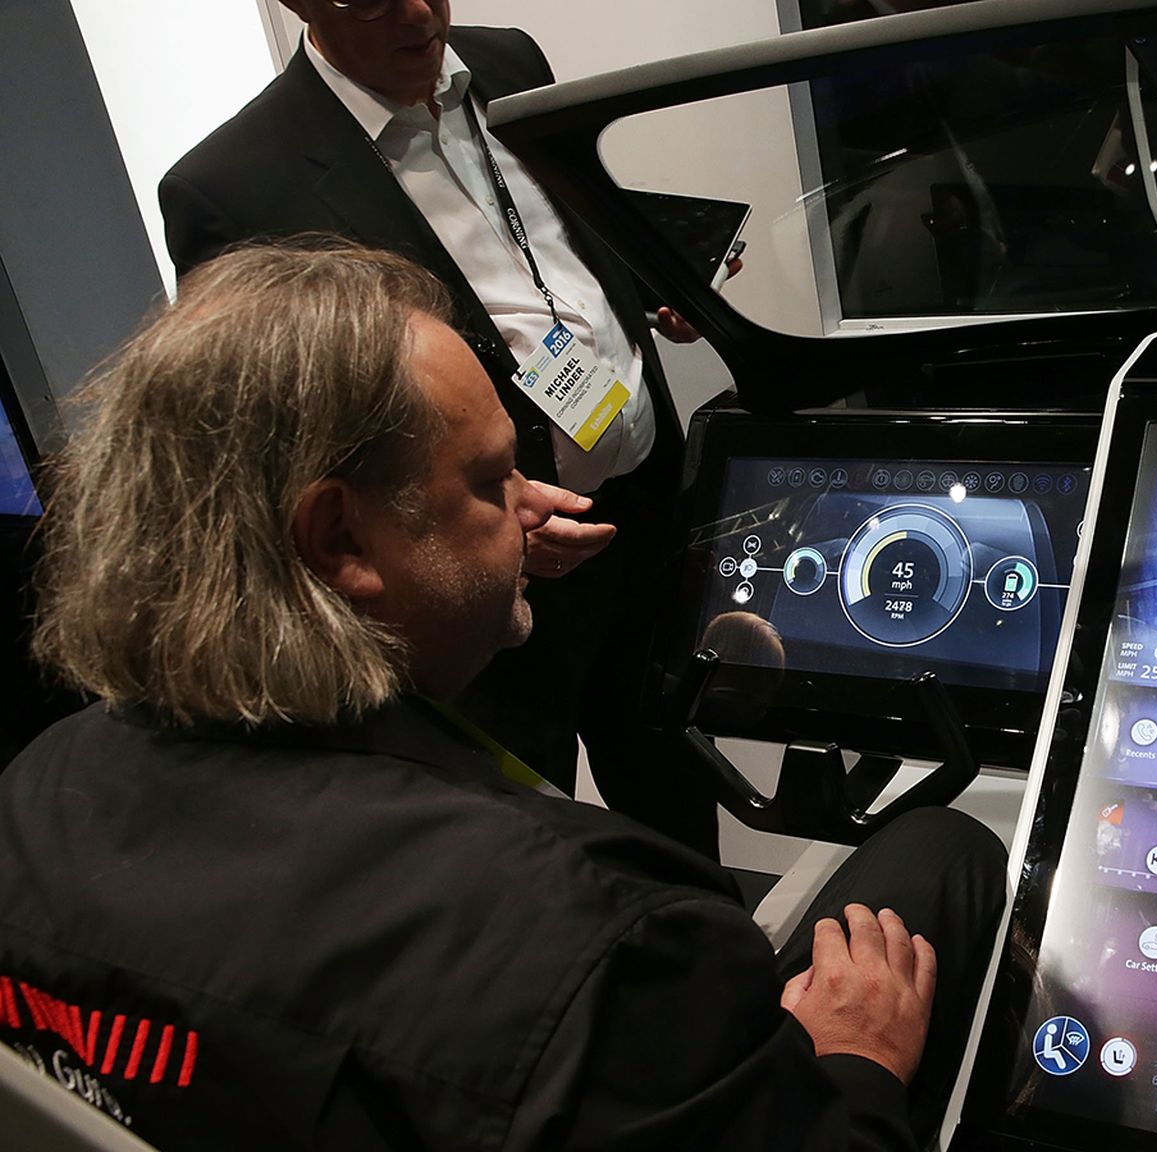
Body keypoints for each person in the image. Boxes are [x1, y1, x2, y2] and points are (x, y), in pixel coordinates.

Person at [0, 242, 1005, 1149]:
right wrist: (857, 1061)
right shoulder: (608, 943)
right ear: (344, 542)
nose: (539, 505)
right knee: (943, 851)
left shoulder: (35, 795)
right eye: (489, 482)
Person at [158, 0, 715, 847]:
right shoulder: (232, 187)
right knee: (511, 843)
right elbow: (281, 443)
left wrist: (649, 279)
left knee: (676, 795)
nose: (416, 10)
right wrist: (491, 501)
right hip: (474, 584)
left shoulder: (510, 62)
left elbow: (551, 248)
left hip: (640, 517)